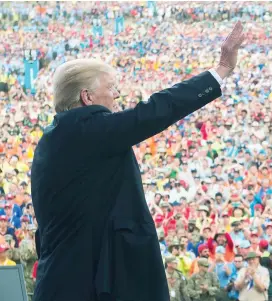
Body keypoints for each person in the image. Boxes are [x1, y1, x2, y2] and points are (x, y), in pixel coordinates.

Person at [30, 21, 245, 301]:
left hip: (64, 277)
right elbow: (155, 110)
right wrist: (221, 71)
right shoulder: (86, 129)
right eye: (111, 87)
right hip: (83, 282)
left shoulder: (54, 138)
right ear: (87, 96)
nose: (117, 95)